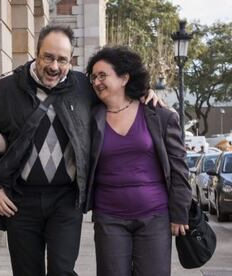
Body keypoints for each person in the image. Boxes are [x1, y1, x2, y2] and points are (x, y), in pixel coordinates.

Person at [0, 24, 162, 276]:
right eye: (48, 57)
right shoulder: (5, 90)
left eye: (62, 60)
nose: (54, 66)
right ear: (36, 52)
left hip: (66, 200)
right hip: (21, 200)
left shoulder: (84, 87)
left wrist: (142, 93)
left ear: (71, 59)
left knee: (62, 270)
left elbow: (116, 96)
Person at [84, 46, 192, 276]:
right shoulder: (90, 118)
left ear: (124, 77)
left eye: (103, 75)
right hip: (108, 217)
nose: (96, 81)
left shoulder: (158, 114)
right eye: (93, 77)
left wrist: (180, 212)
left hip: (155, 217)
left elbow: (179, 166)